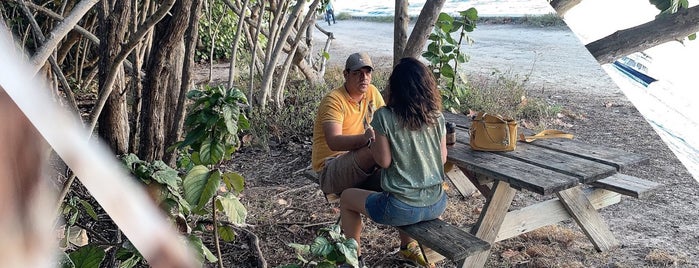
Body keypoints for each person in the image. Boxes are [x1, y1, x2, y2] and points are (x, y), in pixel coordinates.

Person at [339, 57, 447, 268]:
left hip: (401, 209)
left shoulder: (384, 117)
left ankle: (354, 261)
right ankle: (408, 248)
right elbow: (442, 158)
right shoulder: (437, 117)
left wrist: (372, 145)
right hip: (437, 203)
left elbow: (384, 161)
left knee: (346, 197)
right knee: (399, 188)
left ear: (395, 87)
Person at [311, 52, 385, 196]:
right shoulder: (334, 100)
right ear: (346, 74)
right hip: (330, 170)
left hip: (362, 165)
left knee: (399, 172)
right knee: (374, 148)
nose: (364, 78)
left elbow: (386, 123)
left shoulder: (372, 92)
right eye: (357, 73)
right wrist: (365, 138)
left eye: (367, 72)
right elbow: (334, 142)